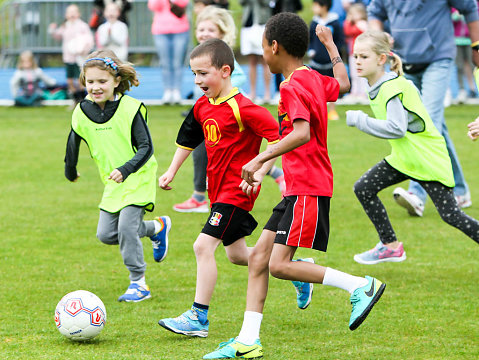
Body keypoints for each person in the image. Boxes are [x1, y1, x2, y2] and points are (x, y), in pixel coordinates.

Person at [203, 14, 385, 359]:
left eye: (262, 48)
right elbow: (343, 84)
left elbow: (300, 133)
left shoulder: (291, 86)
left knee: (279, 265)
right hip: (298, 188)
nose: (263, 55)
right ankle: (247, 341)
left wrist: (259, 160)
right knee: (258, 258)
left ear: (274, 47)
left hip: (308, 186)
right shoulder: (312, 77)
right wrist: (331, 45)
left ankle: (360, 285)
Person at [157, 38, 280, 338]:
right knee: (237, 255)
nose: (198, 80)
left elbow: (279, 137)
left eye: (203, 73)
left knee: (202, 246)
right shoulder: (202, 106)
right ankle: (291, 268)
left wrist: (262, 170)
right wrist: (171, 171)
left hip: (237, 191)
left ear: (225, 71)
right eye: (194, 74)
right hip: (217, 192)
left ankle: (198, 317)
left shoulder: (245, 108)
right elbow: (188, 139)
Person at [344, 30, 479, 265]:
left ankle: (389, 246)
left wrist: (359, 120)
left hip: (426, 160)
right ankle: (390, 246)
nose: (357, 62)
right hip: (405, 159)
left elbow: (396, 128)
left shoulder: (391, 87)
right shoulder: (380, 85)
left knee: (451, 216)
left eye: (363, 57)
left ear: (382, 59)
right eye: (355, 56)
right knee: (363, 188)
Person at [64, 50, 172, 302]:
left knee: (126, 228)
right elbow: (73, 141)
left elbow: (146, 148)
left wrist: (126, 169)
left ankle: (139, 283)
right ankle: (157, 228)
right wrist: (70, 171)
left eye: (102, 81)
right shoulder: (81, 111)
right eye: (90, 82)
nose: (95, 87)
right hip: (113, 182)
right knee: (106, 235)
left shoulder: (130, 108)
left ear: (115, 81)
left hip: (138, 175)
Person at [367, 0, 479, 214]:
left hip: (439, 59)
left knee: (423, 122)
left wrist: (476, 46)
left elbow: (470, 7)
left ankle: (417, 194)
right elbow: (374, 13)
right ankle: (461, 191)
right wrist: (379, 37)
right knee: (437, 127)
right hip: (403, 61)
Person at [173, 5, 285, 213]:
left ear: (223, 34)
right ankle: (201, 195)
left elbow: (239, 76)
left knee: (231, 155)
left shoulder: (223, 58)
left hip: (231, 115)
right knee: (214, 153)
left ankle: (199, 196)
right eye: (201, 29)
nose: (204, 34)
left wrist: (223, 84)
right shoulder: (200, 57)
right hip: (210, 112)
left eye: (211, 30)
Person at [49, 4, 94, 107]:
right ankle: (75, 99)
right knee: (69, 80)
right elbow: (58, 35)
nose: (72, 14)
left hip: (79, 58)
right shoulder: (65, 25)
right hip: (68, 57)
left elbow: (89, 40)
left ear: (78, 14)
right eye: (69, 12)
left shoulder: (83, 26)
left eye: (74, 12)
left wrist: (84, 50)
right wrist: (52, 30)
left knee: (80, 80)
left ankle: (83, 100)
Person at [308, 0, 345, 121]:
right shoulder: (314, 23)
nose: (313, 8)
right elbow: (310, 39)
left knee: (332, 86)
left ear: (324, 7)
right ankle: (316, 111)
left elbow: (339, 40)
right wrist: (311, 50)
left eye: (316, 5)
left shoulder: (334, 22)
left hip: (330, 62)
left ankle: (332, 110)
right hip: (316, 62)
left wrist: (336, 52)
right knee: (315, 87)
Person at [148, 0, 190, 104]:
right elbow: (153, 6)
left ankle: (176, 90)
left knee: (177, 62)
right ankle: (167, 90)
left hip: (180, 29)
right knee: (165, 63)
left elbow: (184, 3)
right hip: (160, 30)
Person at [239, 0, 273, 103]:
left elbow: (268, 3)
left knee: (265, 60)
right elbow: (241, 2)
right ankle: (252, 93)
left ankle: (267, 94)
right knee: (252, 61)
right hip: (248, 25)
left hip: (262, 24)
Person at [343, 2, 368, 101]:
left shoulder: (362, 24)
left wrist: (348, 21)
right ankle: (355, 91)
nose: (352, 17)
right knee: (354, 74)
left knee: (361, 73)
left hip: (361, 53)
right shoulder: (355, 24)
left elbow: (349, 31)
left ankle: (363, 92)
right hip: (352, 53)